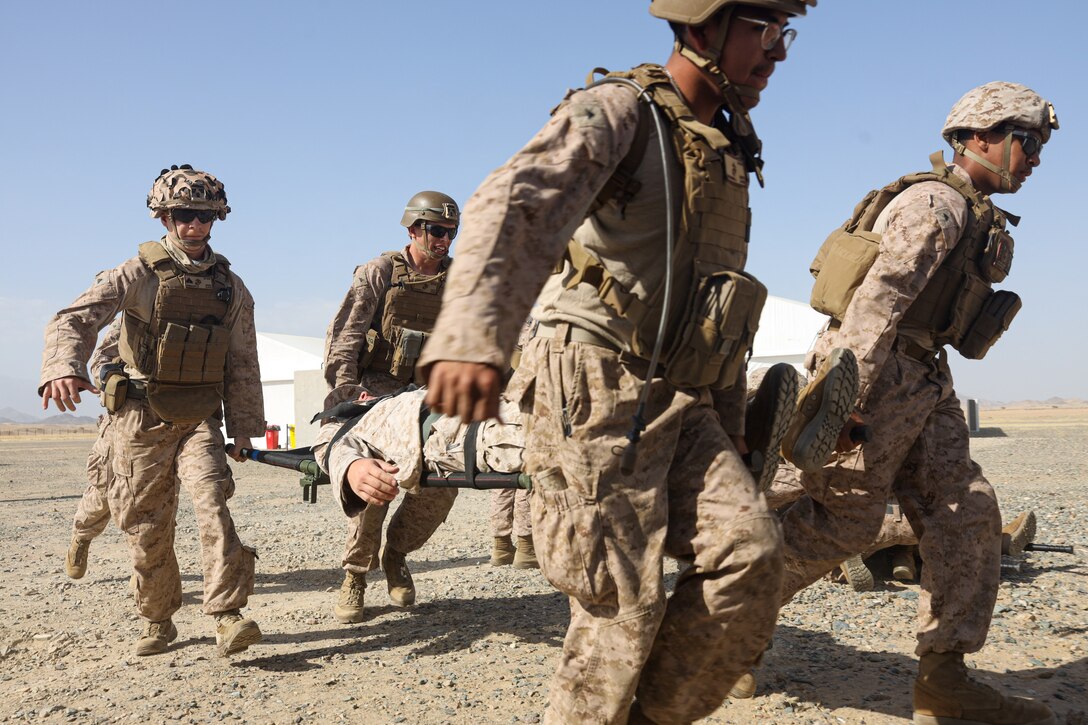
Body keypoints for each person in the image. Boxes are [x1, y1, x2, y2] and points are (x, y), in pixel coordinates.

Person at [419, 2, 816, 721]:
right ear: (703, 29)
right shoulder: (621, 112)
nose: (779, 50)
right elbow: (515, 202)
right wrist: (473, 337)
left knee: (751, 557)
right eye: (765, 27)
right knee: (618, 605)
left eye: (785, 31)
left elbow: (715, 306)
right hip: (597, 384)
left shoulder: (724, 144)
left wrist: (731, 425)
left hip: (684, 394)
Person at [767, 82, 1059, 723]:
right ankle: (721, 626)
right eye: (1027, 143)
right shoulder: (936, 206)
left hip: (924, 374)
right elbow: (876, 305)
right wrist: (847, 400)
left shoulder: (975, 211)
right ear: (979, 138)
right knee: (839, 521)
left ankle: (944, 678)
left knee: (967, 513)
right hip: (881, 370)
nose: (1035, 158)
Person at [40, 164, 264, 658]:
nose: (195, 226)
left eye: (206, 216)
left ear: (217, 218)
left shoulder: (231, 287)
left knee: (213, 504)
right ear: (164, 217)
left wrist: (245, 428)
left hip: (198, 418)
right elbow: (74, 318)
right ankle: (159, 619)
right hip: (141, 419)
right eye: (184, 215)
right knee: (145, 526)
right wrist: (62, 366)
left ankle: (228, 615)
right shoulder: (137, 274)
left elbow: (243, 360)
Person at [323, 191, 461, 624]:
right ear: (413, 230)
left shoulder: (459, 280)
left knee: (444, 480)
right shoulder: (379, 273)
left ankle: (397, 556)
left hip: (426, 395)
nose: (444, 240)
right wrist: (346, 392)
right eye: (436, 231)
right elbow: (345, 338)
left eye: (450, 232)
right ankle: (357, 574)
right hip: (375, 391)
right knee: (376, 481)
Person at [64, 320, 238, 584]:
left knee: (160, 504)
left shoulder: (205, 312)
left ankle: (149, 574)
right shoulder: (134, 316)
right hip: (129, 422)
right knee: (103, 495)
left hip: (182, 418)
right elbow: (101, 359)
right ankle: (82, 536)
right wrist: (111, 376)